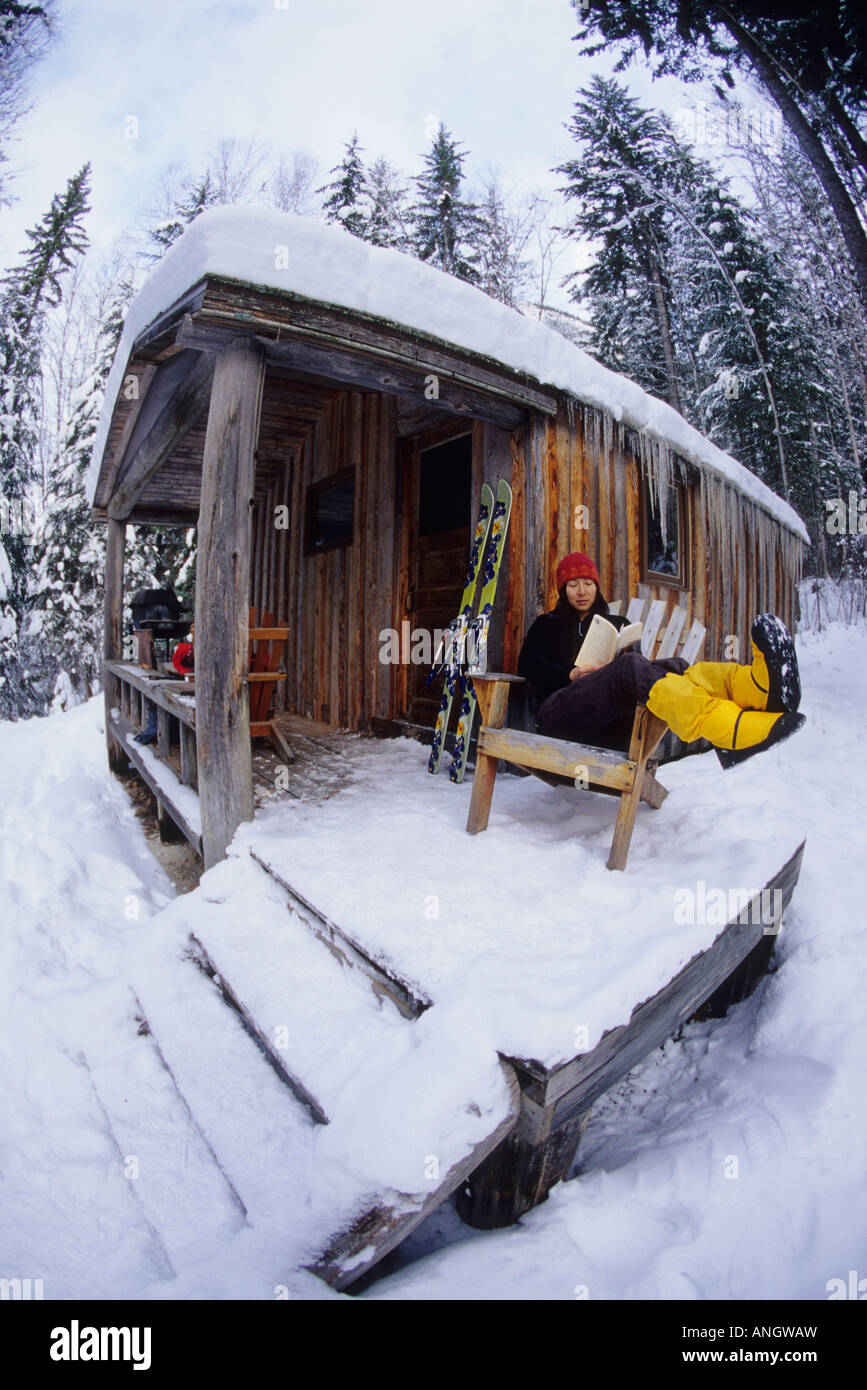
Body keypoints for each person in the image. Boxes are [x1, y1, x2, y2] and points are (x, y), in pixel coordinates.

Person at [517, 552, 804, 768]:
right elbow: (526, 666)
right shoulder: (547, 624)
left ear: (597, 586)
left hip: (613, 725)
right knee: (630, 669)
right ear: (562, 590)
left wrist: (613, 669)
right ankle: (727, 731)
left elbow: (639, 671)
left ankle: (754, 689)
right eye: (573, 585)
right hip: (561, 717)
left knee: (677, 666)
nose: (582, 592)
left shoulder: (617, 622)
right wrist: (570, 674)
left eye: (588, 583)